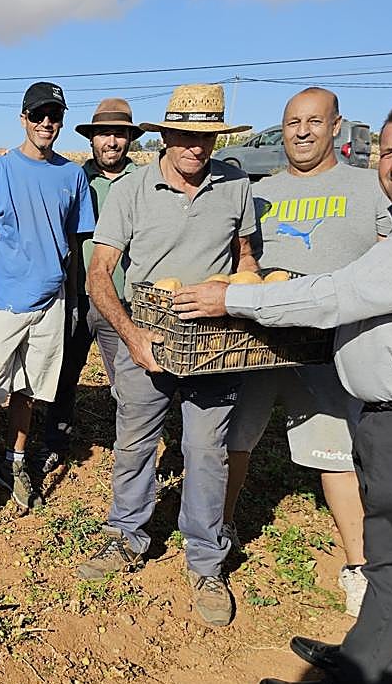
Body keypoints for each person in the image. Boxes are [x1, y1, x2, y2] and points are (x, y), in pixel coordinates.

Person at [174, 96, 392, 684]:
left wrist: (234, 299)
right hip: (391, 404)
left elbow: (349, 290)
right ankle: (365, 660)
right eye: (390, 149)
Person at [76, 83, 257, 628]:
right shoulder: (133, 189)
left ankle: (205, 562)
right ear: (165, 136)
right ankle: (125, 535)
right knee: (134, 442)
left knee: (205, 450)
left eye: (207, 138)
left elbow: (247, 258)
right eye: (184, 136)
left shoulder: (235, 186)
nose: (195, 147)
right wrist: (133, 337)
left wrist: (238, 292)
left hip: (214, 344)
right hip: (147, 334)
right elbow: (99, 274)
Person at [221, 87, 392, 618]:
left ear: (335, 126)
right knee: (234, 439)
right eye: (292, 121)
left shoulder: (368, 187)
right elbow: (242, 257)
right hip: (259, 343)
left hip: (328, 346)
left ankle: (359, 566)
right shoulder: (260, 192)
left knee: (335, 452)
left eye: (314, 121)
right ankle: (219, 529)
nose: (301, 131)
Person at [0, 82, 94, 522]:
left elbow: (74, 244)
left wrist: (74, 301)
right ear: (23, 119)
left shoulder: (72, 176)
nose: (46, 123)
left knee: (29, 394)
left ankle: (13, 465)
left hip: (51, 304)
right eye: (38, 115)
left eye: (54, 116)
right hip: (2, 304)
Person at [42, 98, 144, 473]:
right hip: (77, 296)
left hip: (123, 300)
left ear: (130, 139)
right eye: (104, 134)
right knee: (63, 375)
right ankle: (54, 442)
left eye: (119, 134)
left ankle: (131, 451)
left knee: (129, 381)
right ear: (91, 139)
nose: (111, 142)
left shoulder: (144, 182)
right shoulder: (74, 179)